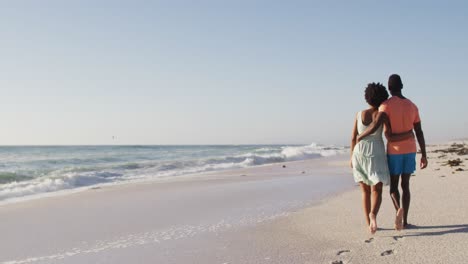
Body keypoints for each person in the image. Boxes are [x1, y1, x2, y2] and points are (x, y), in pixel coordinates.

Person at [357, 74, 427, 230]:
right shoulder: (413, 106)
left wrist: (360, 135)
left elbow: (375, 125)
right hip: (410, 150)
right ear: (402, 86)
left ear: (389, 88)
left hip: (394, 151)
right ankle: (405, 221)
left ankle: (398, 209)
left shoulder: (385, 106)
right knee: (406, 185)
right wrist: (424, 154)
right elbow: (419, 132)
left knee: (394, 187)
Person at [350, 82, 413, 234]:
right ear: (383, 98)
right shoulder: (382, 114)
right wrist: (408, 134)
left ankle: (369, 223)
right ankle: (373, 214)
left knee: (364, 191)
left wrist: (352, 157)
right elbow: (389, 135)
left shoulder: (358, 114)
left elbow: (353, 137)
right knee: (376, 189)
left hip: (359, 151)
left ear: (367, 98)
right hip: (375, 151)